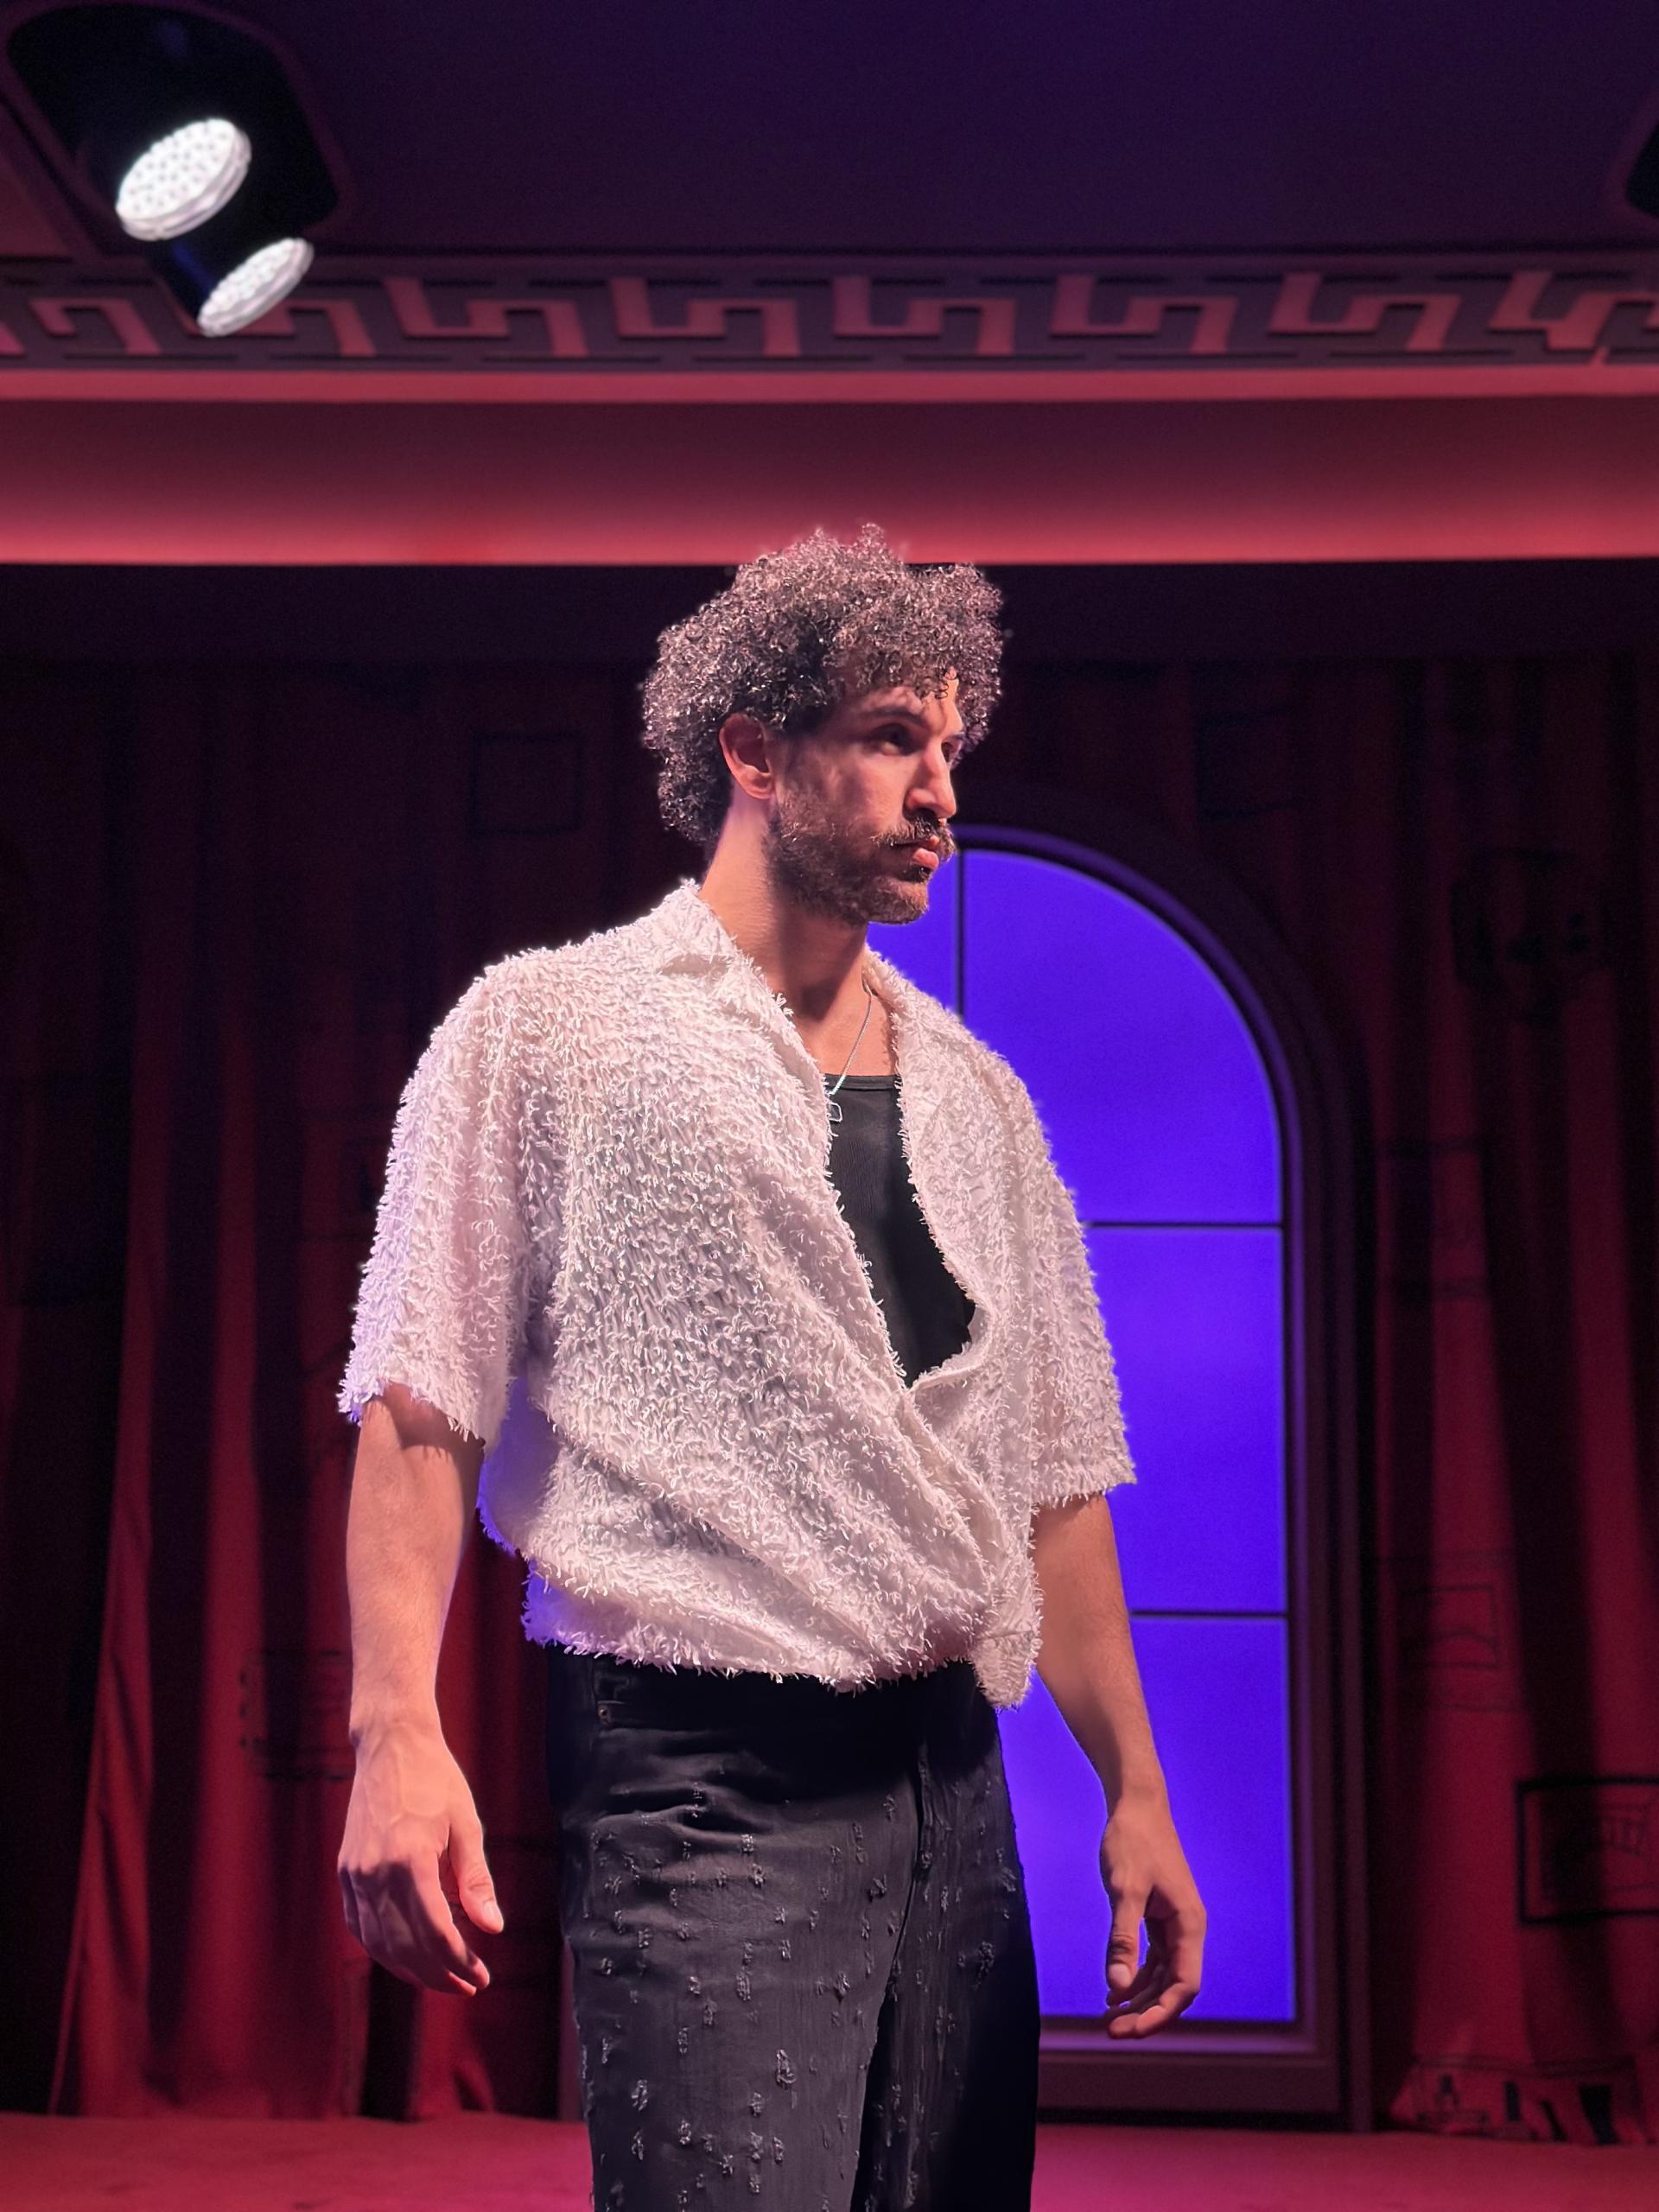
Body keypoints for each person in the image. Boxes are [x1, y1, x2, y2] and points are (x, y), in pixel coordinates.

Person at [335, 523, 1205, 2209]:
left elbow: (1052, 1479)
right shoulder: (550, 1030)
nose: (940, 789)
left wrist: (1139, 1791)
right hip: (701, 1771)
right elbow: (421, 1399)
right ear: (752, 750)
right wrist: (394, 1731)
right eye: (892, 736)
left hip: (952, 1788)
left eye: (951, 744)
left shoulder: (979, 1100)